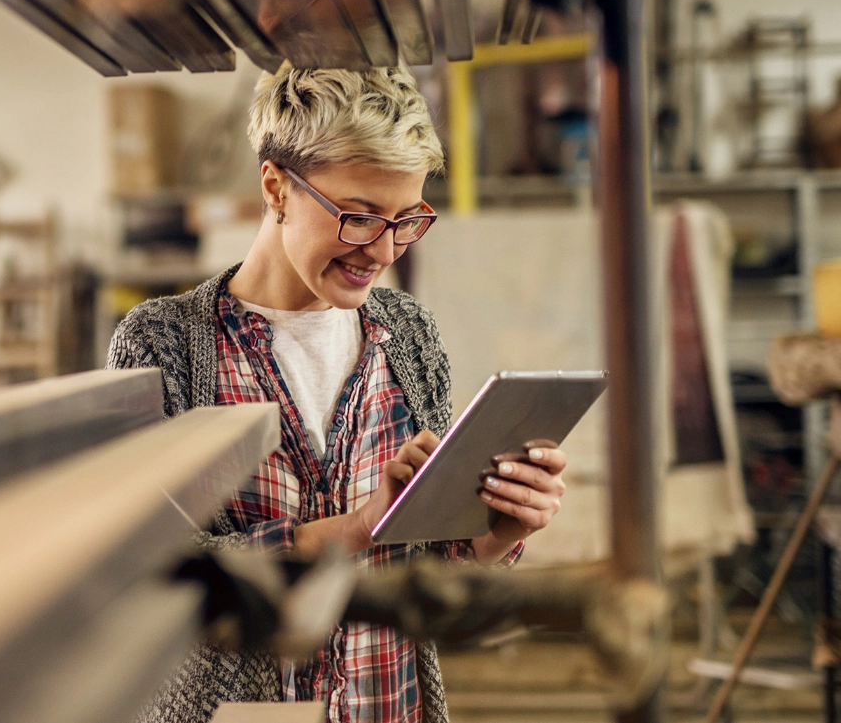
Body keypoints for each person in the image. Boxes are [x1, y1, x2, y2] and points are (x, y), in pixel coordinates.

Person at [108, 64, 571, 723]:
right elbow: (153, 579)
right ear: (276, 187)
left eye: (406, 218)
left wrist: (496, 534)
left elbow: (433, 567)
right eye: (359, 216)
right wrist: (352, 529)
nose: (382, 250)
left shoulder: (410, 335)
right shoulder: (164, 341)